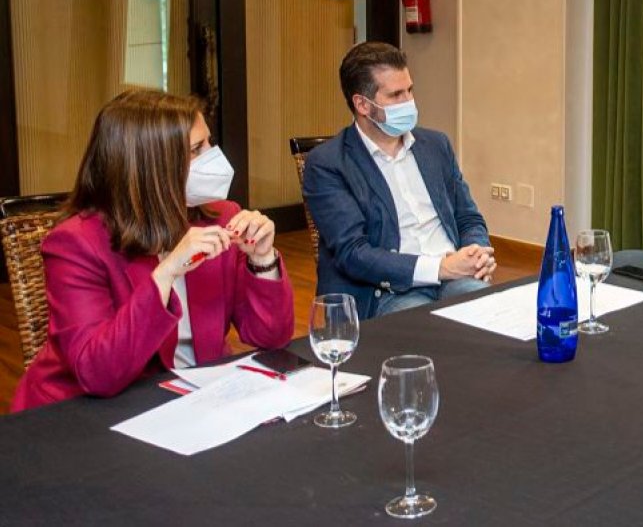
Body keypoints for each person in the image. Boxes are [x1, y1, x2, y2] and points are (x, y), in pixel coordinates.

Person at [12, 90, 294, 411]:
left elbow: (271, 338)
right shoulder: (77, 244)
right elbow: (98, 374)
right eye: (196, 150)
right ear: (152, 168)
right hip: (83, 413)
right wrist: (165, 274)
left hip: (193, 399)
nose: (214, 158)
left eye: (209, 143)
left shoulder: (220, 216)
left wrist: (262, 261)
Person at [302, 42, 495, 319]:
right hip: (386, 292)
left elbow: (468, 218)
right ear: (362, 104)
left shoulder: (435, 145)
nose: (409, 102)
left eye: (410, 90)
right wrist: (441, 267)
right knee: (431, 334)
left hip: (453, 279)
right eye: (395, 95)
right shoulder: (328, 164)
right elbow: (354, 253)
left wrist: (476, 255)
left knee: (499, 316)